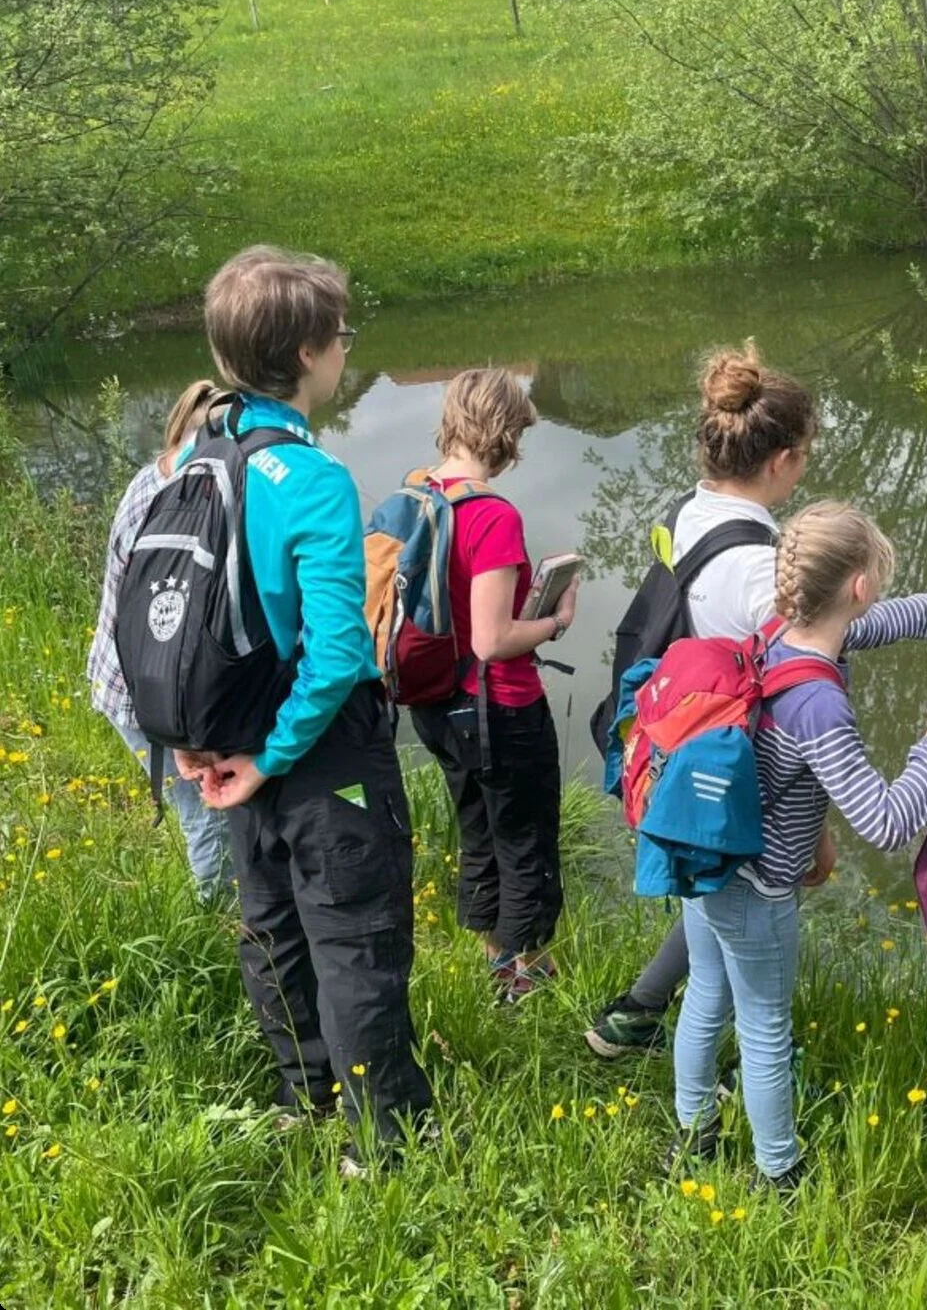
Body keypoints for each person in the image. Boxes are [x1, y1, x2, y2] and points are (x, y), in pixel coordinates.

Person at [178, 246, 432, 1171]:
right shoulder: (312, 478)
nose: (346, 350)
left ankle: (305, 1096)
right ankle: (385, 1143)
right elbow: (332, 658)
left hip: (228, 740)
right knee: (355, 939)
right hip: (312, 748)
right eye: (342, 336)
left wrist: (192, 738)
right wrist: (275, 755)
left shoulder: (197, 457)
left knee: (273, 925)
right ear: (309, 354)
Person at [670, 500, 927, 1188]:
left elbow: (876, 623)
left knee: (705, 992)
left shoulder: (776, 632)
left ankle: (693, 1132)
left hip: (708, 856)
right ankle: (779, 1171)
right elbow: (886, 822)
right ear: (858, 584)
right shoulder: (818, 703)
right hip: (759, 887)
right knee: (765, 1027)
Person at [587, 343, 817, 1057]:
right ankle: (755, 1074)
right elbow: (803, 685)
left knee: (710, 899)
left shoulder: (691, 510)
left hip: (671, 733)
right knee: (742, 917)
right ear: (782, 460)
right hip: (729, 762)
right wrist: (816, 827)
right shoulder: (760, 570)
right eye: (805, 454)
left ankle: (635, 1014)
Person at [408, 368, 577, 1001]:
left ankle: (492, 955)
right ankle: (521, 978)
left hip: (436, 699)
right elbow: (493, 639)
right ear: (506, 433)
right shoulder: (493, 516)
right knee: (526, 839)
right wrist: (556, 621)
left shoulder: (419, 491)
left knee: (479, 829)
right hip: (499, 707)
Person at [88, 379, 232, 898]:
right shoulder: (182, 504)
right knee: (208, 818)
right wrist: (183, 732)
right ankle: (215, 920)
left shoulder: (152, 477)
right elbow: (167, 632)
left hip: (126, 676)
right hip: (146, 691)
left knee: (209, 812)